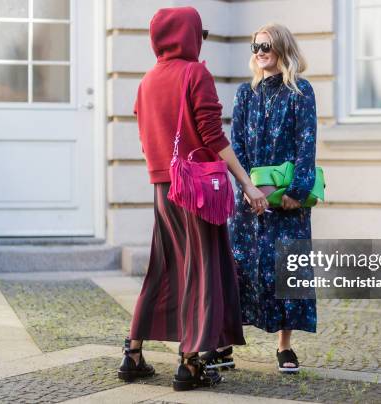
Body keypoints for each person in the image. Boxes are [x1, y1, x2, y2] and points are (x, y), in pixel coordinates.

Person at [117, 7, 268, 391]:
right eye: (199, 31)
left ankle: (132, 354)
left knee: (163, 268)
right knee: (201, 270)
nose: (201, 38)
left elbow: (146, 134)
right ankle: (190, 364)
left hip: (163, 188)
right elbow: (213, 136)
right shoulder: (194, 72)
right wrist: (247, 183)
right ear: (186, 35)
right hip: (197, 189)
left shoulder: (147, 81)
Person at [208, 23, 318, 374]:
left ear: (282, 48)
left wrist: (297, 193)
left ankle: (285, 347)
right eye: (254, 46)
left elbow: (307, 143)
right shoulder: (245, 93)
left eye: (266, 45)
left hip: (287, 203)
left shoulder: (301, 91)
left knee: (285, 269)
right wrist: (246, 187)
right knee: (238, 268)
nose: (259, 51)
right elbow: (235, 142)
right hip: (248, 202)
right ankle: (225, 344)